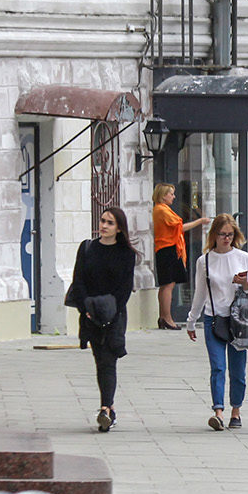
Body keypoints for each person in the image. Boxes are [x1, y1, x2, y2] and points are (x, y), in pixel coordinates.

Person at [65, 207, 137, 433]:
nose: (104, 226)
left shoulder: (126, 253)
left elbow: (124, 288)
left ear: (119, 228)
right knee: (101, 359)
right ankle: (109, 408)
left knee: (108, 359)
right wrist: (87, 306)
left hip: (114, 314)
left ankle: (105, 409)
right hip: (90, 313)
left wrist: (110, 311)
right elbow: (79, 280)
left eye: (110, 223)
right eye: (103, 221)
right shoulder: (88, 248)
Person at [187, 214, 248, 431]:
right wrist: (191, 321)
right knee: (218, 367)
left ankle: (236, 411)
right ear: (214, 235)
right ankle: (218, 411)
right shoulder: (204, 260)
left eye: (230, 235)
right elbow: (200, 292)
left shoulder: (243, 258)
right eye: (222, 234)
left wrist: (244, 283)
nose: (226, 238)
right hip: (213, 318)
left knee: (238, 370)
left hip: (238, 319)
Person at [152, 183, 208, 329]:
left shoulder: (162, 209)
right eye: (171, 193)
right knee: (168, 284)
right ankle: (167, 318)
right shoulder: (161, 210)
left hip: (168, 248)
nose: (174, 196)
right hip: (168, 248)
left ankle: (164, 317)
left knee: (167, 284)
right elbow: (180, 227)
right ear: (163, 195)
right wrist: (200, 221)